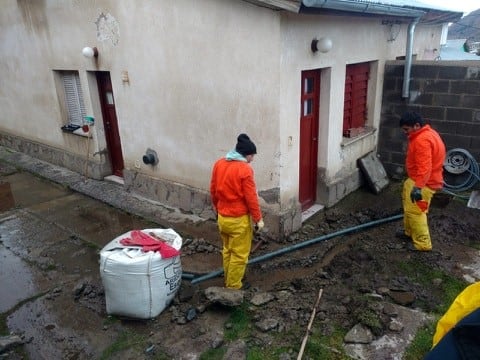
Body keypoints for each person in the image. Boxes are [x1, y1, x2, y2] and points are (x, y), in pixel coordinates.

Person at [210, 133, 264, 290]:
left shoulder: (219, 164)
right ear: (246, 154)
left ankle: (229, 278)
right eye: (252, 155)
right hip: (238, 220)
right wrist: (258, 219)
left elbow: (213, 190)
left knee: (227, 250)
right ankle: (233, 288)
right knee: (239, 255)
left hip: (223, 217)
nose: (252, 159)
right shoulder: (245, 170)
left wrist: (217, 208)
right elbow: (251, 198)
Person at [398, 111, 446, 251]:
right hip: (417, 180)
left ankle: (422, 244)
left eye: (406, 129)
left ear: (417, 125)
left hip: (423, 184)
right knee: (409, 209)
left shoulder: (421, 141)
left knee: (417, 212)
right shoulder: (429, 133)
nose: (405, 133)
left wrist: (418, 187)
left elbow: (425, 168)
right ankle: (409, 233)